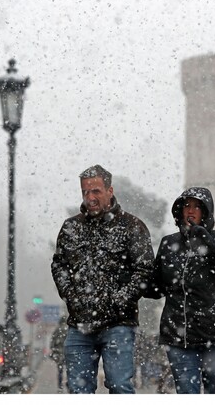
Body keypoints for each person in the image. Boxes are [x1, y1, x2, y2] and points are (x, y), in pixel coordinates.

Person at [51, 164, 155, 394]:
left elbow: (145, 270)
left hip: (118, 323)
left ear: (110, 190)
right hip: (79, 323)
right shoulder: (71, 228)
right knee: (79, 390)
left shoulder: (132, 227)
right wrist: (70, 295)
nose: (90, 198)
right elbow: (59, 265)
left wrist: (118, 300)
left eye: (96, 191)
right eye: (85, 192)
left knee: (119, 386)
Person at [146, 187, 215, 394]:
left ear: (207, 212)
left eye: (198, 207)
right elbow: (156, 287)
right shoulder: (168, 243)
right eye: (187, 206)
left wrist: (206, 238)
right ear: (180, 211)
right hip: (180, 339)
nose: (191, 211)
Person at [49, 315, 69, 392]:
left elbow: (52, 341)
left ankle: (60, 386)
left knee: (60, 370)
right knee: (68, 370)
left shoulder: (57, 329)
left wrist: (52, 349)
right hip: (67, 352)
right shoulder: (68, 329)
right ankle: (68, 384)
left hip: (58, 353)